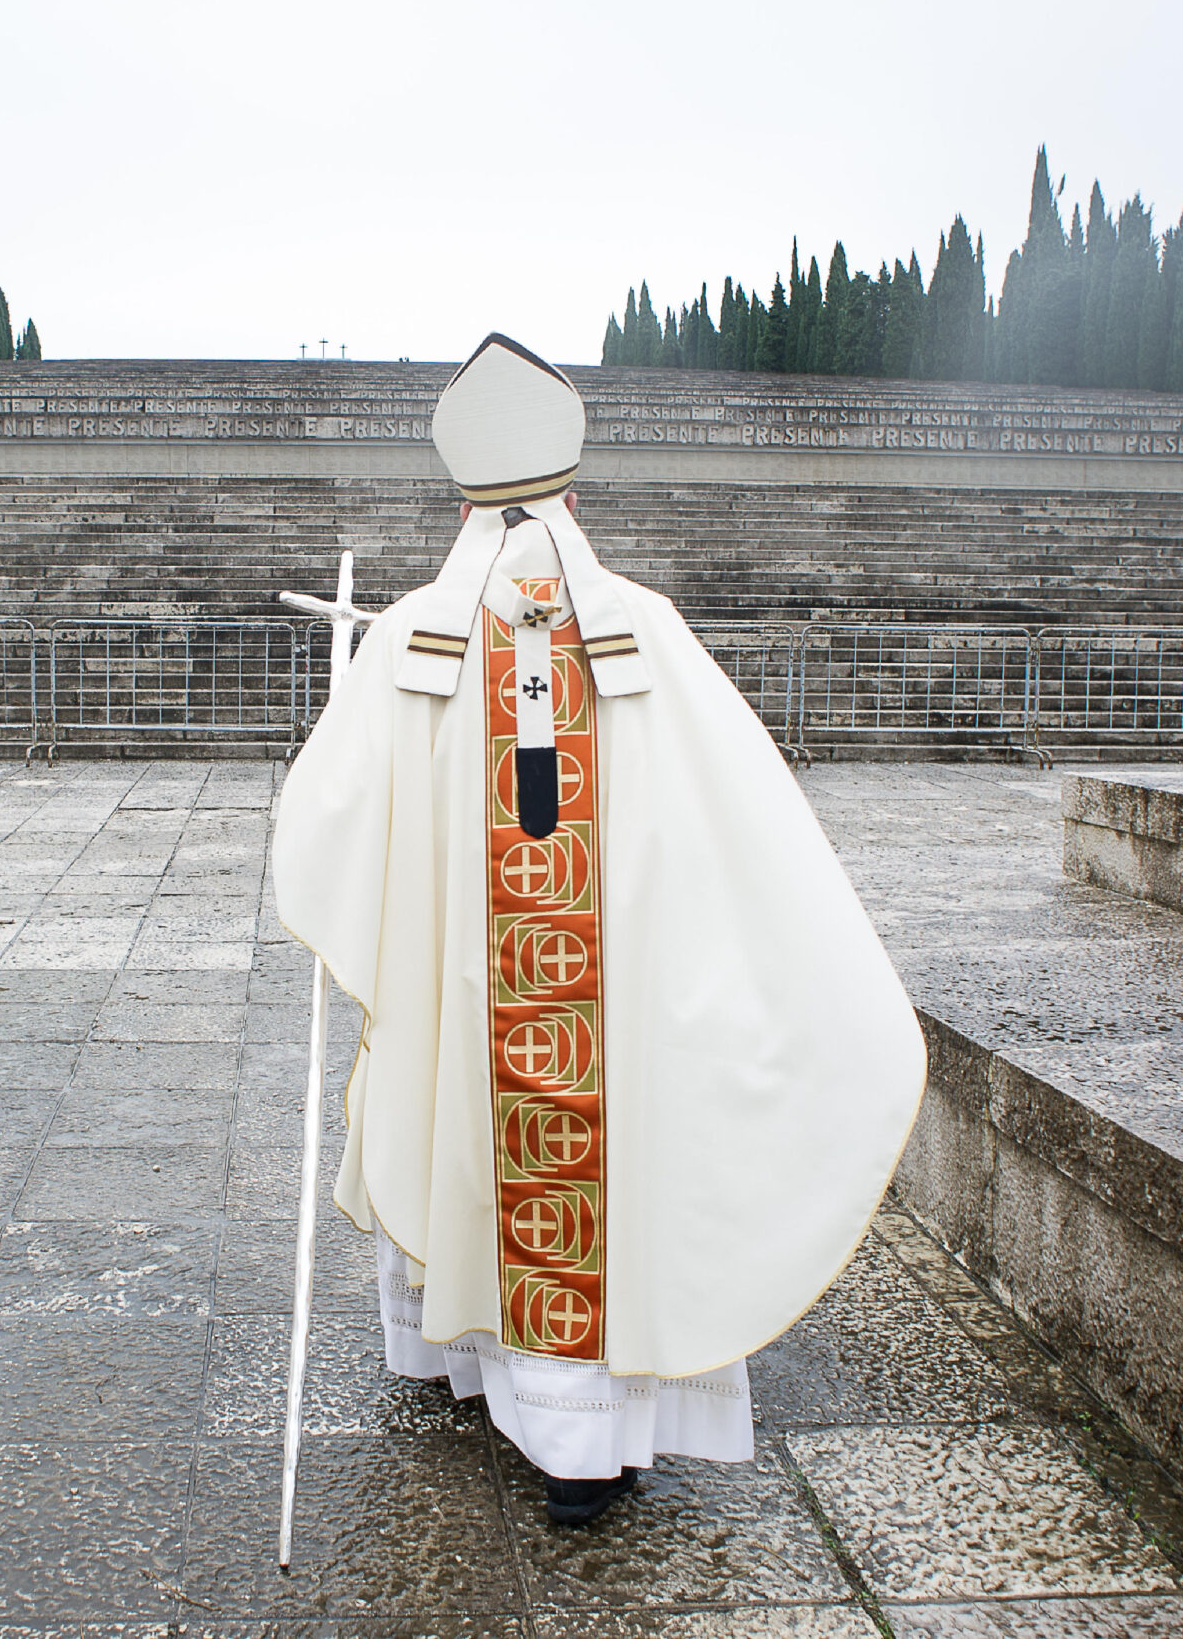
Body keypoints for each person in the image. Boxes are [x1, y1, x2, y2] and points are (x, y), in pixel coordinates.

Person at [273, 333, 925, 1525]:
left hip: (474, 996)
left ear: (462, 495)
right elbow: (737, 822)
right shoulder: (644, 630)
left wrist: (355, 752)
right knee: (605, 1160)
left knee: (457, 1116)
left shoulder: (414, 633)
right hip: (605, 999)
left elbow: (327, 822)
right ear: (573, 494)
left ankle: (468, 1363)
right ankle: (587, 1446)